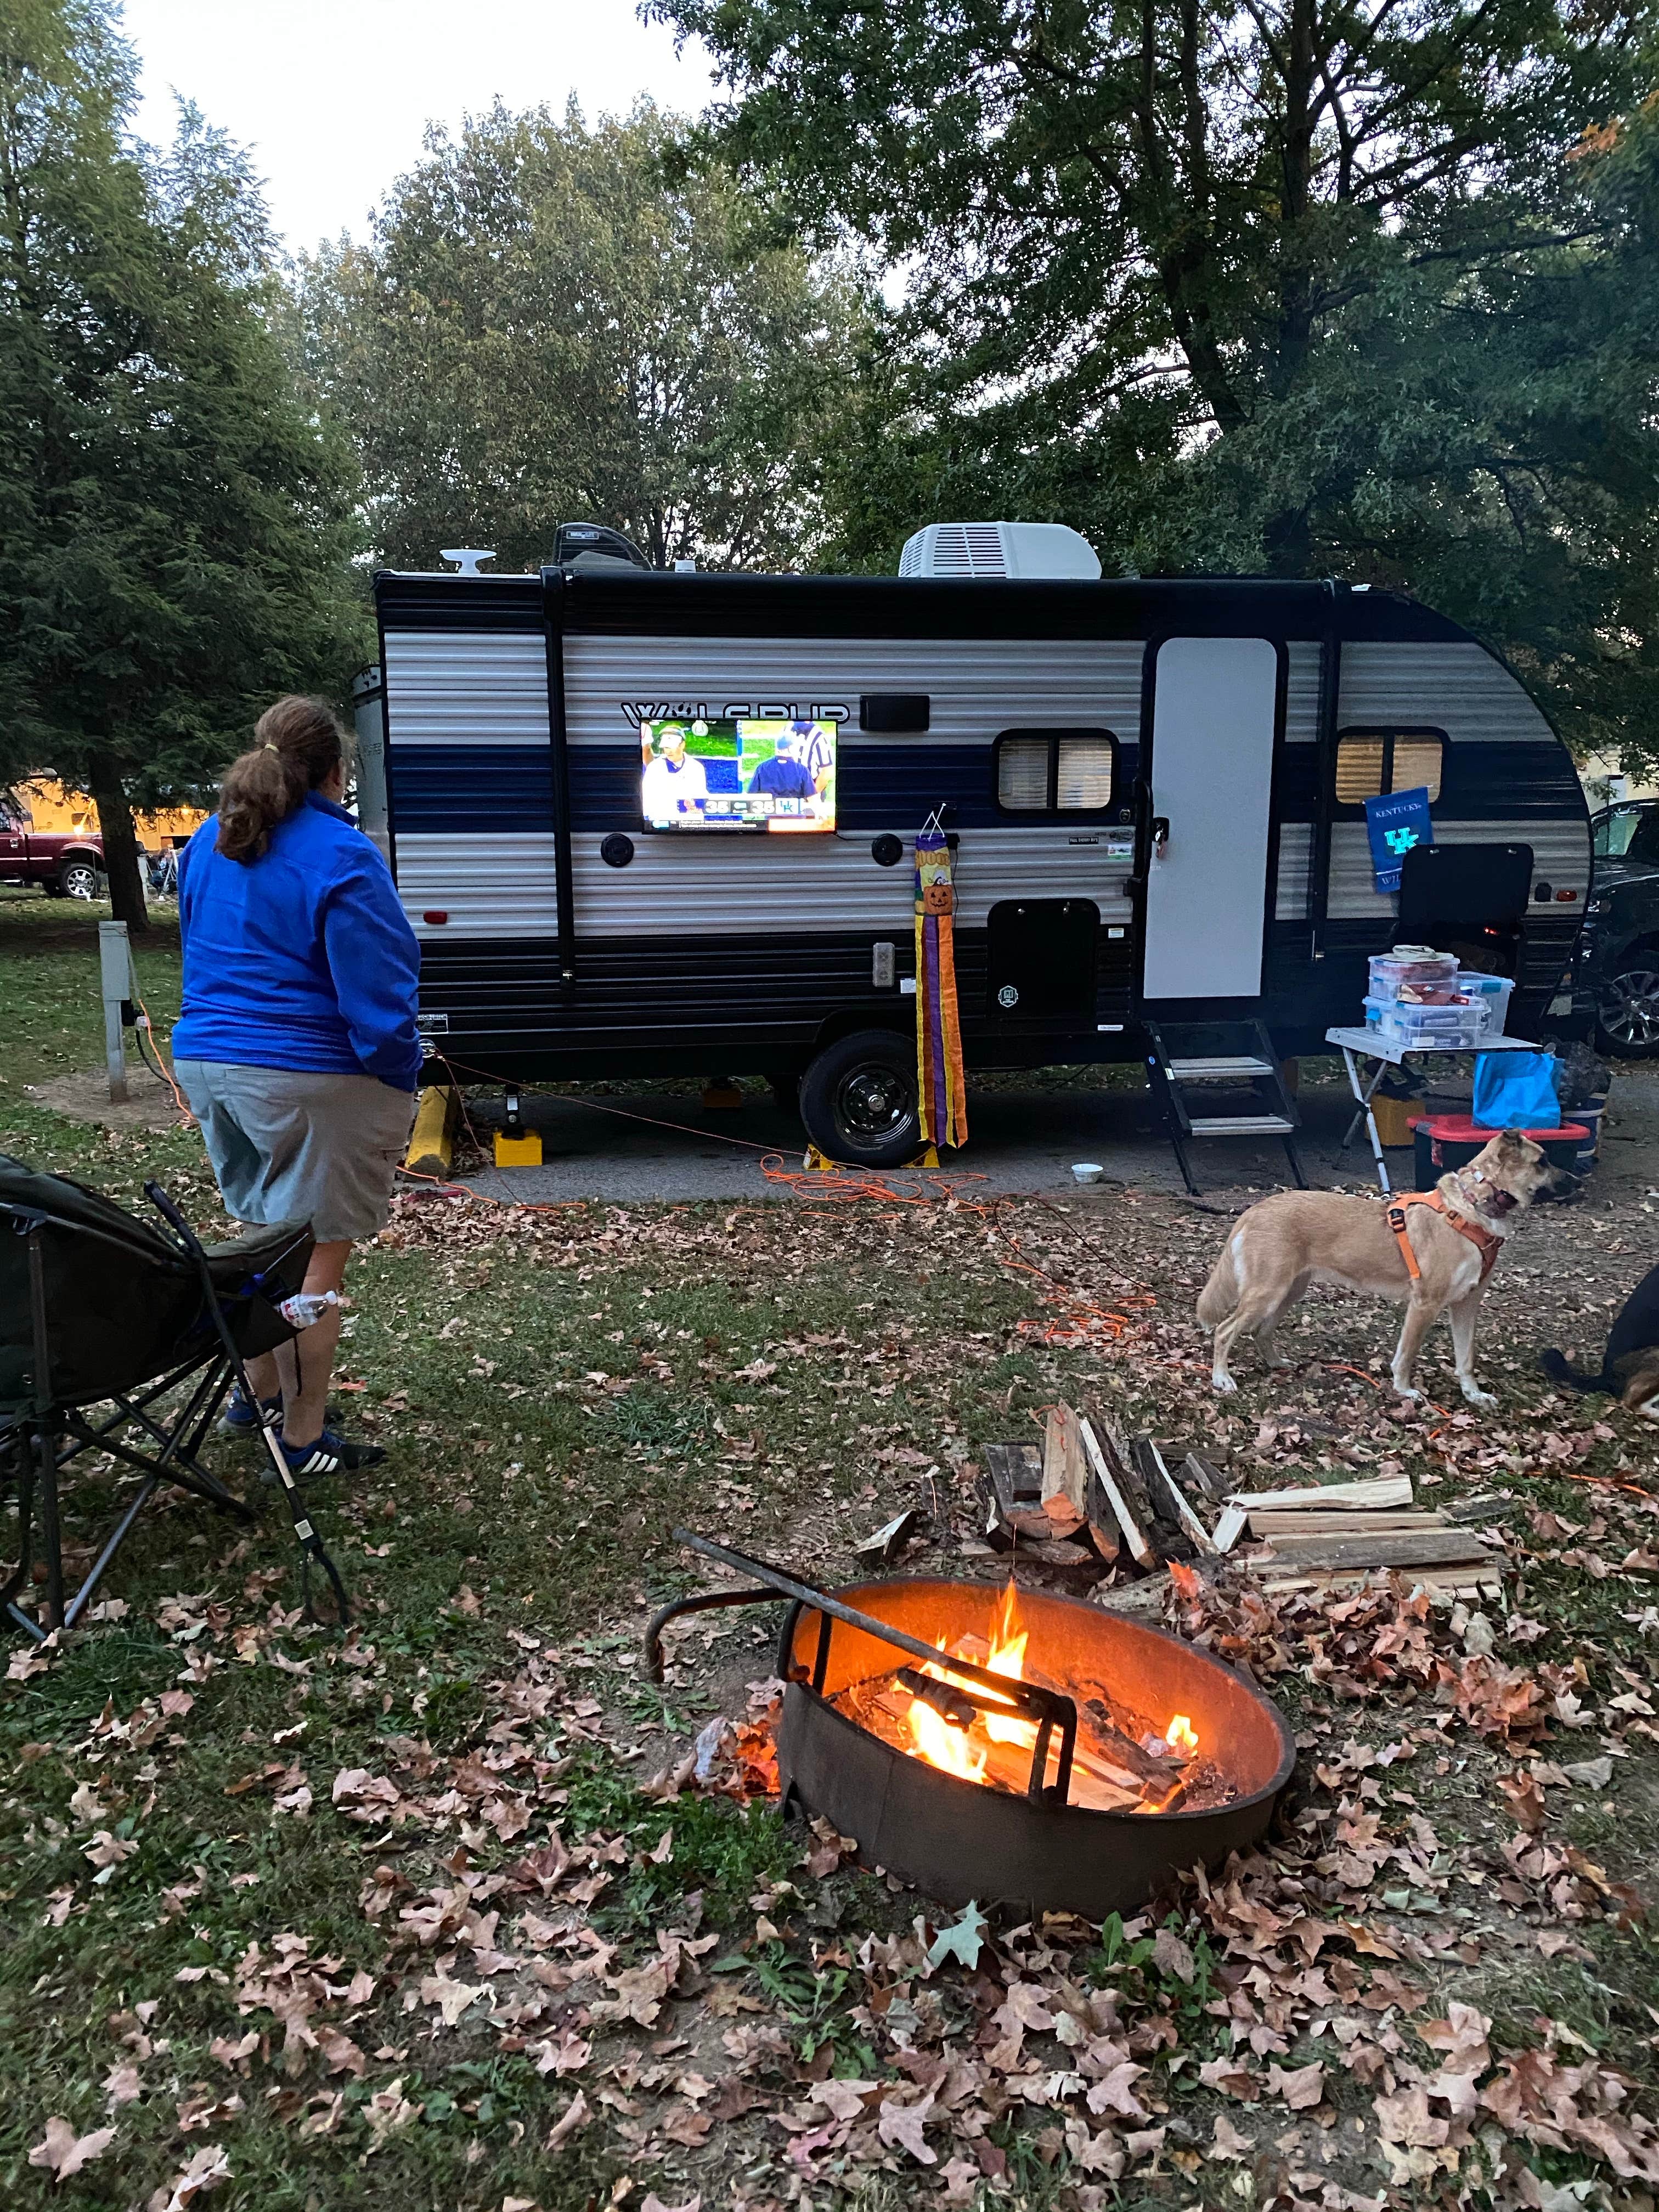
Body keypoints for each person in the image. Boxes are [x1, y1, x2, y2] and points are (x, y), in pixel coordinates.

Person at [171, 695, 422, 1480]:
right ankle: (305, 1437)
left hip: (210, 1066)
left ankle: (260, 1394)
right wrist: (400, 1074)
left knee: (264, 1239)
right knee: (315, 1260)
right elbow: (379, 995)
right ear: (336, 774)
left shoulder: (211, 839)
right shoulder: (342, 856)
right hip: (308, 1078)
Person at [641, 725, 708, 823]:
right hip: (660, 823)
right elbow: (646, 802)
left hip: (689, 825)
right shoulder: (654, 768)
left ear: (682, 745)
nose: (668, 751)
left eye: (671, 747)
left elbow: (701, 800)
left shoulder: (696, 768)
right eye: (666, 747)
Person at [746, 725, 817, 803]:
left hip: (771, 814)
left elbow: (751, 796)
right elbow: (812, 799)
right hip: (795, 814)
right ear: (791, 748)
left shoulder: (762, 768)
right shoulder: (802, 770)